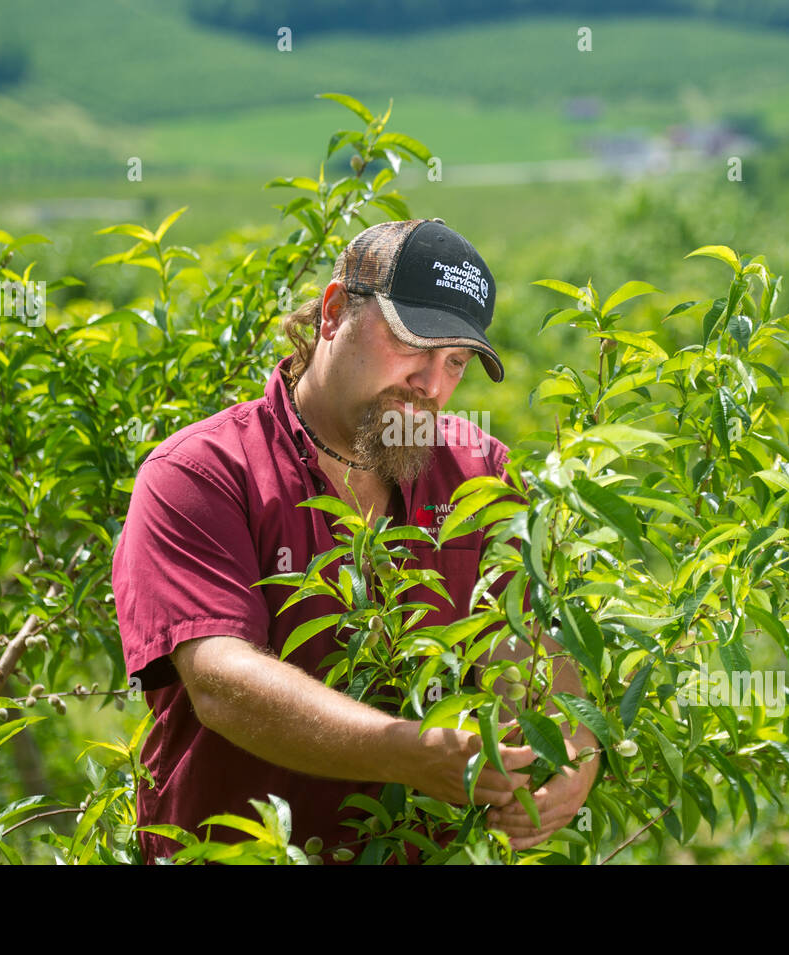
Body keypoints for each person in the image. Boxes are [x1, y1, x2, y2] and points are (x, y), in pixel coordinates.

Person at [111, 218, 599, 864]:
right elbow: (220, 683)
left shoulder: (480, 472)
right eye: (412, 344)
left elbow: (529, 647)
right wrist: (407, 751)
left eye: (455, 361)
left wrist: (573, 753)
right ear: (335, 312)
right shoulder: (201, 473)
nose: (431, 383)